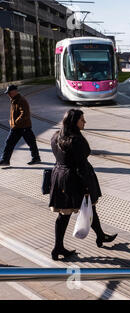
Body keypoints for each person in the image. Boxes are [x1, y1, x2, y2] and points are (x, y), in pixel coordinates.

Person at [49, 109, 117, 260]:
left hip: (60, 177)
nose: (85, 122)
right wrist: (87, 188)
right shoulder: (76, 140)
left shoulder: (55, 136)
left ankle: (58, 247)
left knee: (64, 213)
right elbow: (80, 166)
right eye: (82, 120)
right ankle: (100, 236)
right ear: (74, 122)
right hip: (76, 179)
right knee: (89, 207)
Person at [0, 85, 41, 166]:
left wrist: (15, 122)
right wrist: (11, 121)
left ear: (14, 92)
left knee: (31, 142)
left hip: (24, 127)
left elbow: (25, 114)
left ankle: (36, 158)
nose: (8, 95)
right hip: (16, 127)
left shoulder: (21, 100)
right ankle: (5, 160)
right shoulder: (14, 100)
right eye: (8, 93)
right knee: (9, 142)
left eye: (9, 93)